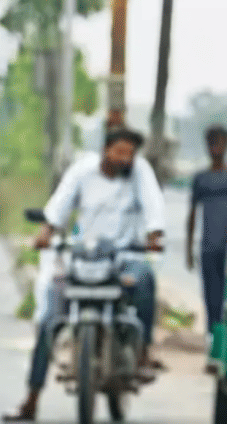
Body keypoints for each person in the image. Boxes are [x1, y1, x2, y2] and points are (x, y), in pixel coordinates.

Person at [3, 128, 165, 422]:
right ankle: (31, 399)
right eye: (119, 152)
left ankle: (143, 352)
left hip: (124, 256)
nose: (124, 159)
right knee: (49, 318)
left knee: (145, 279)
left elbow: (153, 204)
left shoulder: (139, 172)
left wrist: (155, 233)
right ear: (105, 150)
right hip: (82, 257)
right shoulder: (83, 171)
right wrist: (46, 232)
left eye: (129, 154)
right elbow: (59, 205)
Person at [186, 125, 227, 365]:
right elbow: (192, 214)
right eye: (212, 143)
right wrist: (188, 249)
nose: (216, 148)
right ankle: (214, 346)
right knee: (211, 298)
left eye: (220, 143)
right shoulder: (201, 179)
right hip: (208, 247)